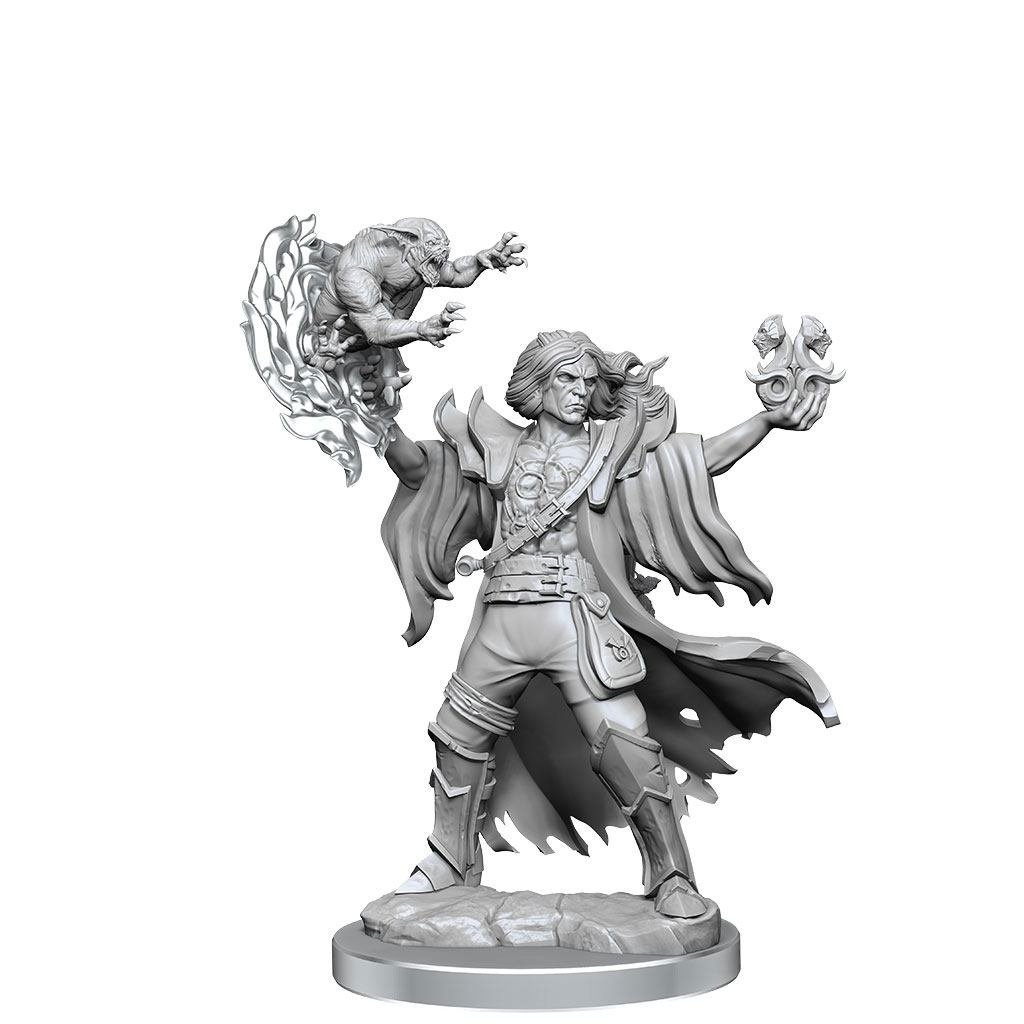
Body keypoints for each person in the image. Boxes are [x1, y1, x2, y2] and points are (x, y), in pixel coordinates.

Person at [378, 329, 836, 919]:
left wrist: (766, 421)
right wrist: (375, 417)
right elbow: (421, 470)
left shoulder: (609, 450)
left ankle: (671, 874)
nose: (580, 390)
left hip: (574, 618)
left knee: (625, 746)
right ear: (537, 384)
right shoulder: (495, 447)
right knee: (455, 735)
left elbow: (697, 460)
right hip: (502, 618)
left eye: (588, 381)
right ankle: (449, 859)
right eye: (566, 378)